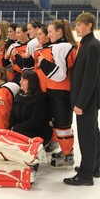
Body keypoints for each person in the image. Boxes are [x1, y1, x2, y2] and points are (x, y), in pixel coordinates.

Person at [64, 12, 100, 186]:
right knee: (93, 134)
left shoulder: (92, 46)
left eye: (79, 25)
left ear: (89, 26)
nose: (76, 28)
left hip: (86, 101)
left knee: (87, 137)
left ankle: (86, 176)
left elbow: (90, 78)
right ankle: (94, 167)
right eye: (76, 25)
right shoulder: (86, 44)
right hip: (86, 101)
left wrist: (80, 103)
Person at [37, 19, 77, 168]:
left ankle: (67, 157)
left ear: (59, 32)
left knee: (62, 126)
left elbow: (60, 75)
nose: (49, 34)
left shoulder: (61, 47)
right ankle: (67, 153)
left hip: (59, 92)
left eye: (51, 31)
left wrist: (43, 63)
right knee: (61, 125)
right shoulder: (64, 46)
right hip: (60, 92)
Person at [8, 71, 52, 146]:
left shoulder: (39, 98)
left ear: (32, 82)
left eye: (24, 80)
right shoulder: (18, 96)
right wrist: (11, 127)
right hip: (20, 129)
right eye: (21, 79)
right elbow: (13, 114)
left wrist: (17, 128)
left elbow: (35, 121)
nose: (20, 82)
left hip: (36, 132)